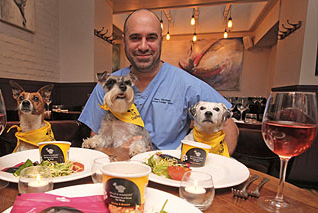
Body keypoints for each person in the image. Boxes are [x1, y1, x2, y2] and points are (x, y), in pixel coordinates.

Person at [79, 9, 239, 154]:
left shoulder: (187, 84)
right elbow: (96, 140)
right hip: (119, 173)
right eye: (135, 38)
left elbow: (229, 126)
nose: (143, 46)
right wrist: (118, 154)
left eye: (151, 38)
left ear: (160, 40)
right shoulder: (107, 85)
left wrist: (216, 168)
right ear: (125, 40)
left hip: (169, 175)